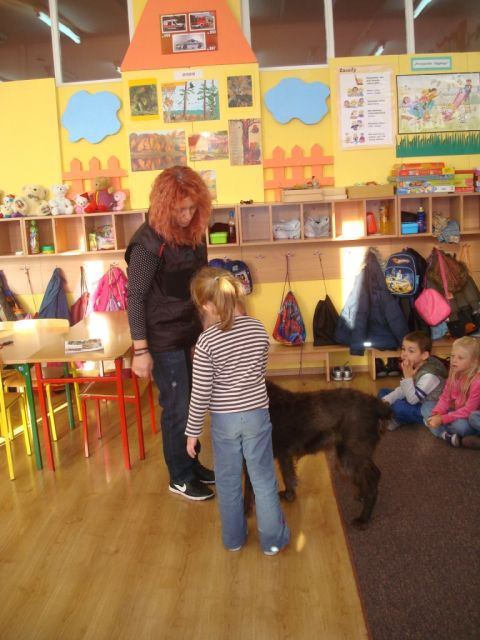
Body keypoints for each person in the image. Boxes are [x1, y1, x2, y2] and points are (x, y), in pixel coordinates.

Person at [185, 266, 290, 555]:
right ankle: (272, 541)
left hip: (225, 421)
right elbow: (260, 367)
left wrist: (192, 433)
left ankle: (233, 539)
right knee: (263, 478)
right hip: (257, 415)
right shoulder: (257, 328)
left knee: (228, 480)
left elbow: (200, 393)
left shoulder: (206, 342)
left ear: (207, 305)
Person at [125, 165, 215, 501]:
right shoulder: (148, 243)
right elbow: (135, 298)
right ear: (164, 206)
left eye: (193, 208)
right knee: (177, 408)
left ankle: (192, 464)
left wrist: (207, 331)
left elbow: (200, 284)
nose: (187, 215)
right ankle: (179, 476)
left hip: (190, 334)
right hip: (163, 340)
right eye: (180, 210)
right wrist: (140, 351)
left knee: (193, 404)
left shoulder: (194, 234)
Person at [378, 331, 448, 431]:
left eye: (411, 351)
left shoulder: (430, 375)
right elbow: (403, 390)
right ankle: (391, 415)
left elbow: (412, 400)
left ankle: (398, 419)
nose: (404, 354)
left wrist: (408, 377)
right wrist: (386, 401)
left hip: (426, 408)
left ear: (424, 355)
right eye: (403, 349)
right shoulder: (415, 364)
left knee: (398, 406)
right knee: (383, 392)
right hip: (415, 397)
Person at [423, 336, 480, 447]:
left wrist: (442, 419)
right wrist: (437, 413)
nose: (454, 360)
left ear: (474, 362)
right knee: (427, 406)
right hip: (456, 412)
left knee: (462, 426)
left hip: (469, 416)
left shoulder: (477, 381)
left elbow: (469, 410)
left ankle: (444, 431)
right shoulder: (454, 373)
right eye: (453, 356)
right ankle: (446, 435)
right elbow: (445, 398)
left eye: (460, 358)